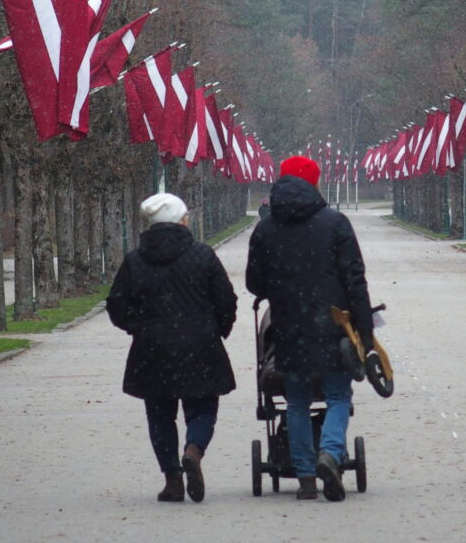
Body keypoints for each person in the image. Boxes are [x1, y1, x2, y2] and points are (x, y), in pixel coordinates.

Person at [246, 155, 373, 502]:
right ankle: (330, 453)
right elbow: (355, 280)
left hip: (289, 326)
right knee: (336, 396)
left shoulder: (266, 228)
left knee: (297, 400)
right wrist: (365, 330)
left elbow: (254, 284)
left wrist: (282, 286)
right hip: (333, 325)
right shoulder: (335, 223)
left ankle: (304, 476)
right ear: (314, 183)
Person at [106, 193, 237, 503]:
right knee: (203, 407)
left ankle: (172, 478)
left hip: (153, 348)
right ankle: (194, 449)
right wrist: (218, 329)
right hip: (200, 343)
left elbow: (116, 304)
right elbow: (226, 299)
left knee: (160, 415)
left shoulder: (135, 259)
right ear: (182, 220)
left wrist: (137, 327)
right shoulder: (203, 255)